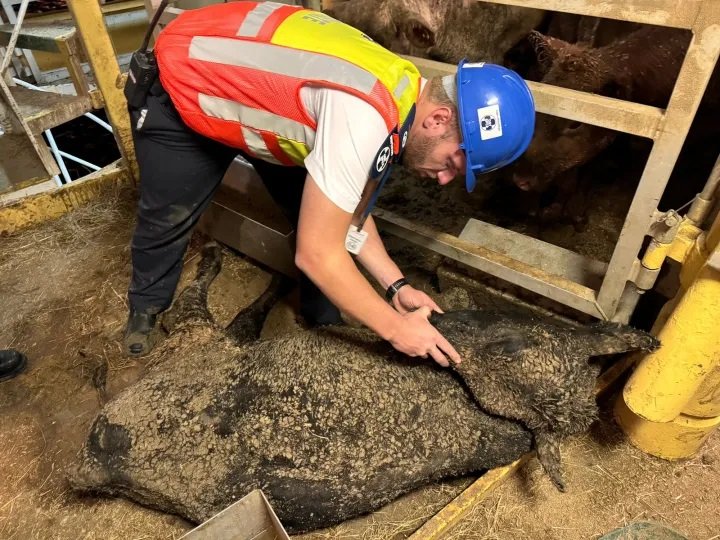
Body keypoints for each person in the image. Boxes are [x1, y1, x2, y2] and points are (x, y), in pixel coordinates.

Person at [123, 1, 535, 366]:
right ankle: (145, 308)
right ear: (439, 120)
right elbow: (317, 254)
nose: (445, 178)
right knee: (167, 215)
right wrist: (395, 329)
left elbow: (350, 208)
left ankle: (324, 320)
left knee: (317, 215)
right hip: (186, 84)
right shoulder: (363, 119)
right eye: (454, 161)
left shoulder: (404, 88)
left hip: (261, 105)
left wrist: (396, 286)